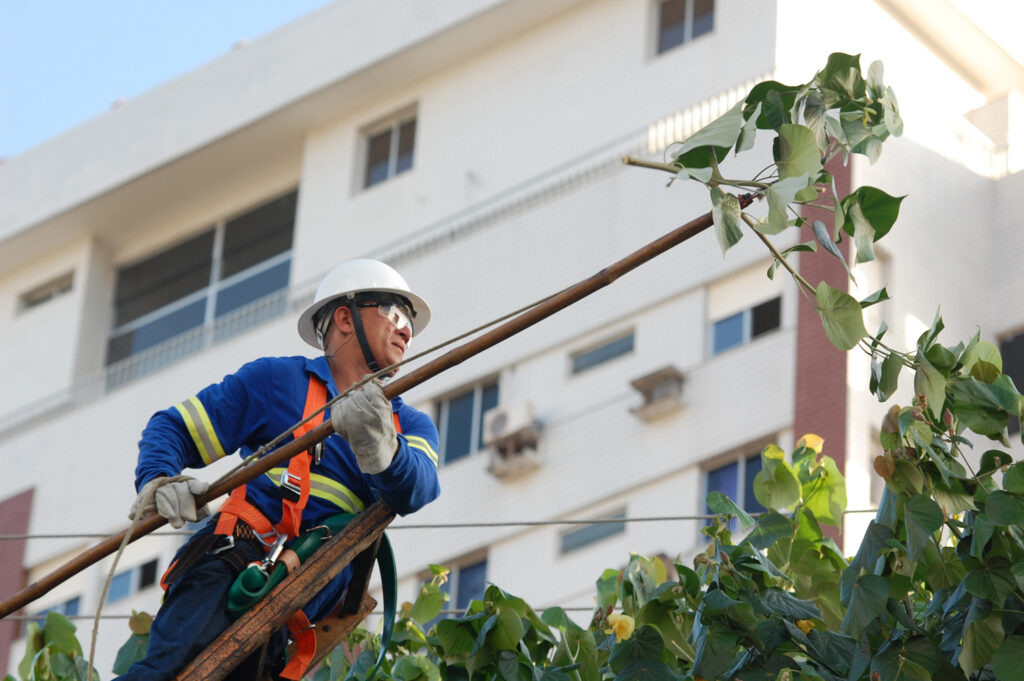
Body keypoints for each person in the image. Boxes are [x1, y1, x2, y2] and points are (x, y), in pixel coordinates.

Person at [116, 258, 441, 681]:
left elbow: (416, 490)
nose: (405, 331)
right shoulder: (277, 383)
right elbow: (175, 427)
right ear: (345, 318)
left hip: (304, 596)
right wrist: (158, 477)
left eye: (410, 325)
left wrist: (380, 446)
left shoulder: (408, 425)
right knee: (166, 670)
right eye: (395, 314)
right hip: (234, 558)